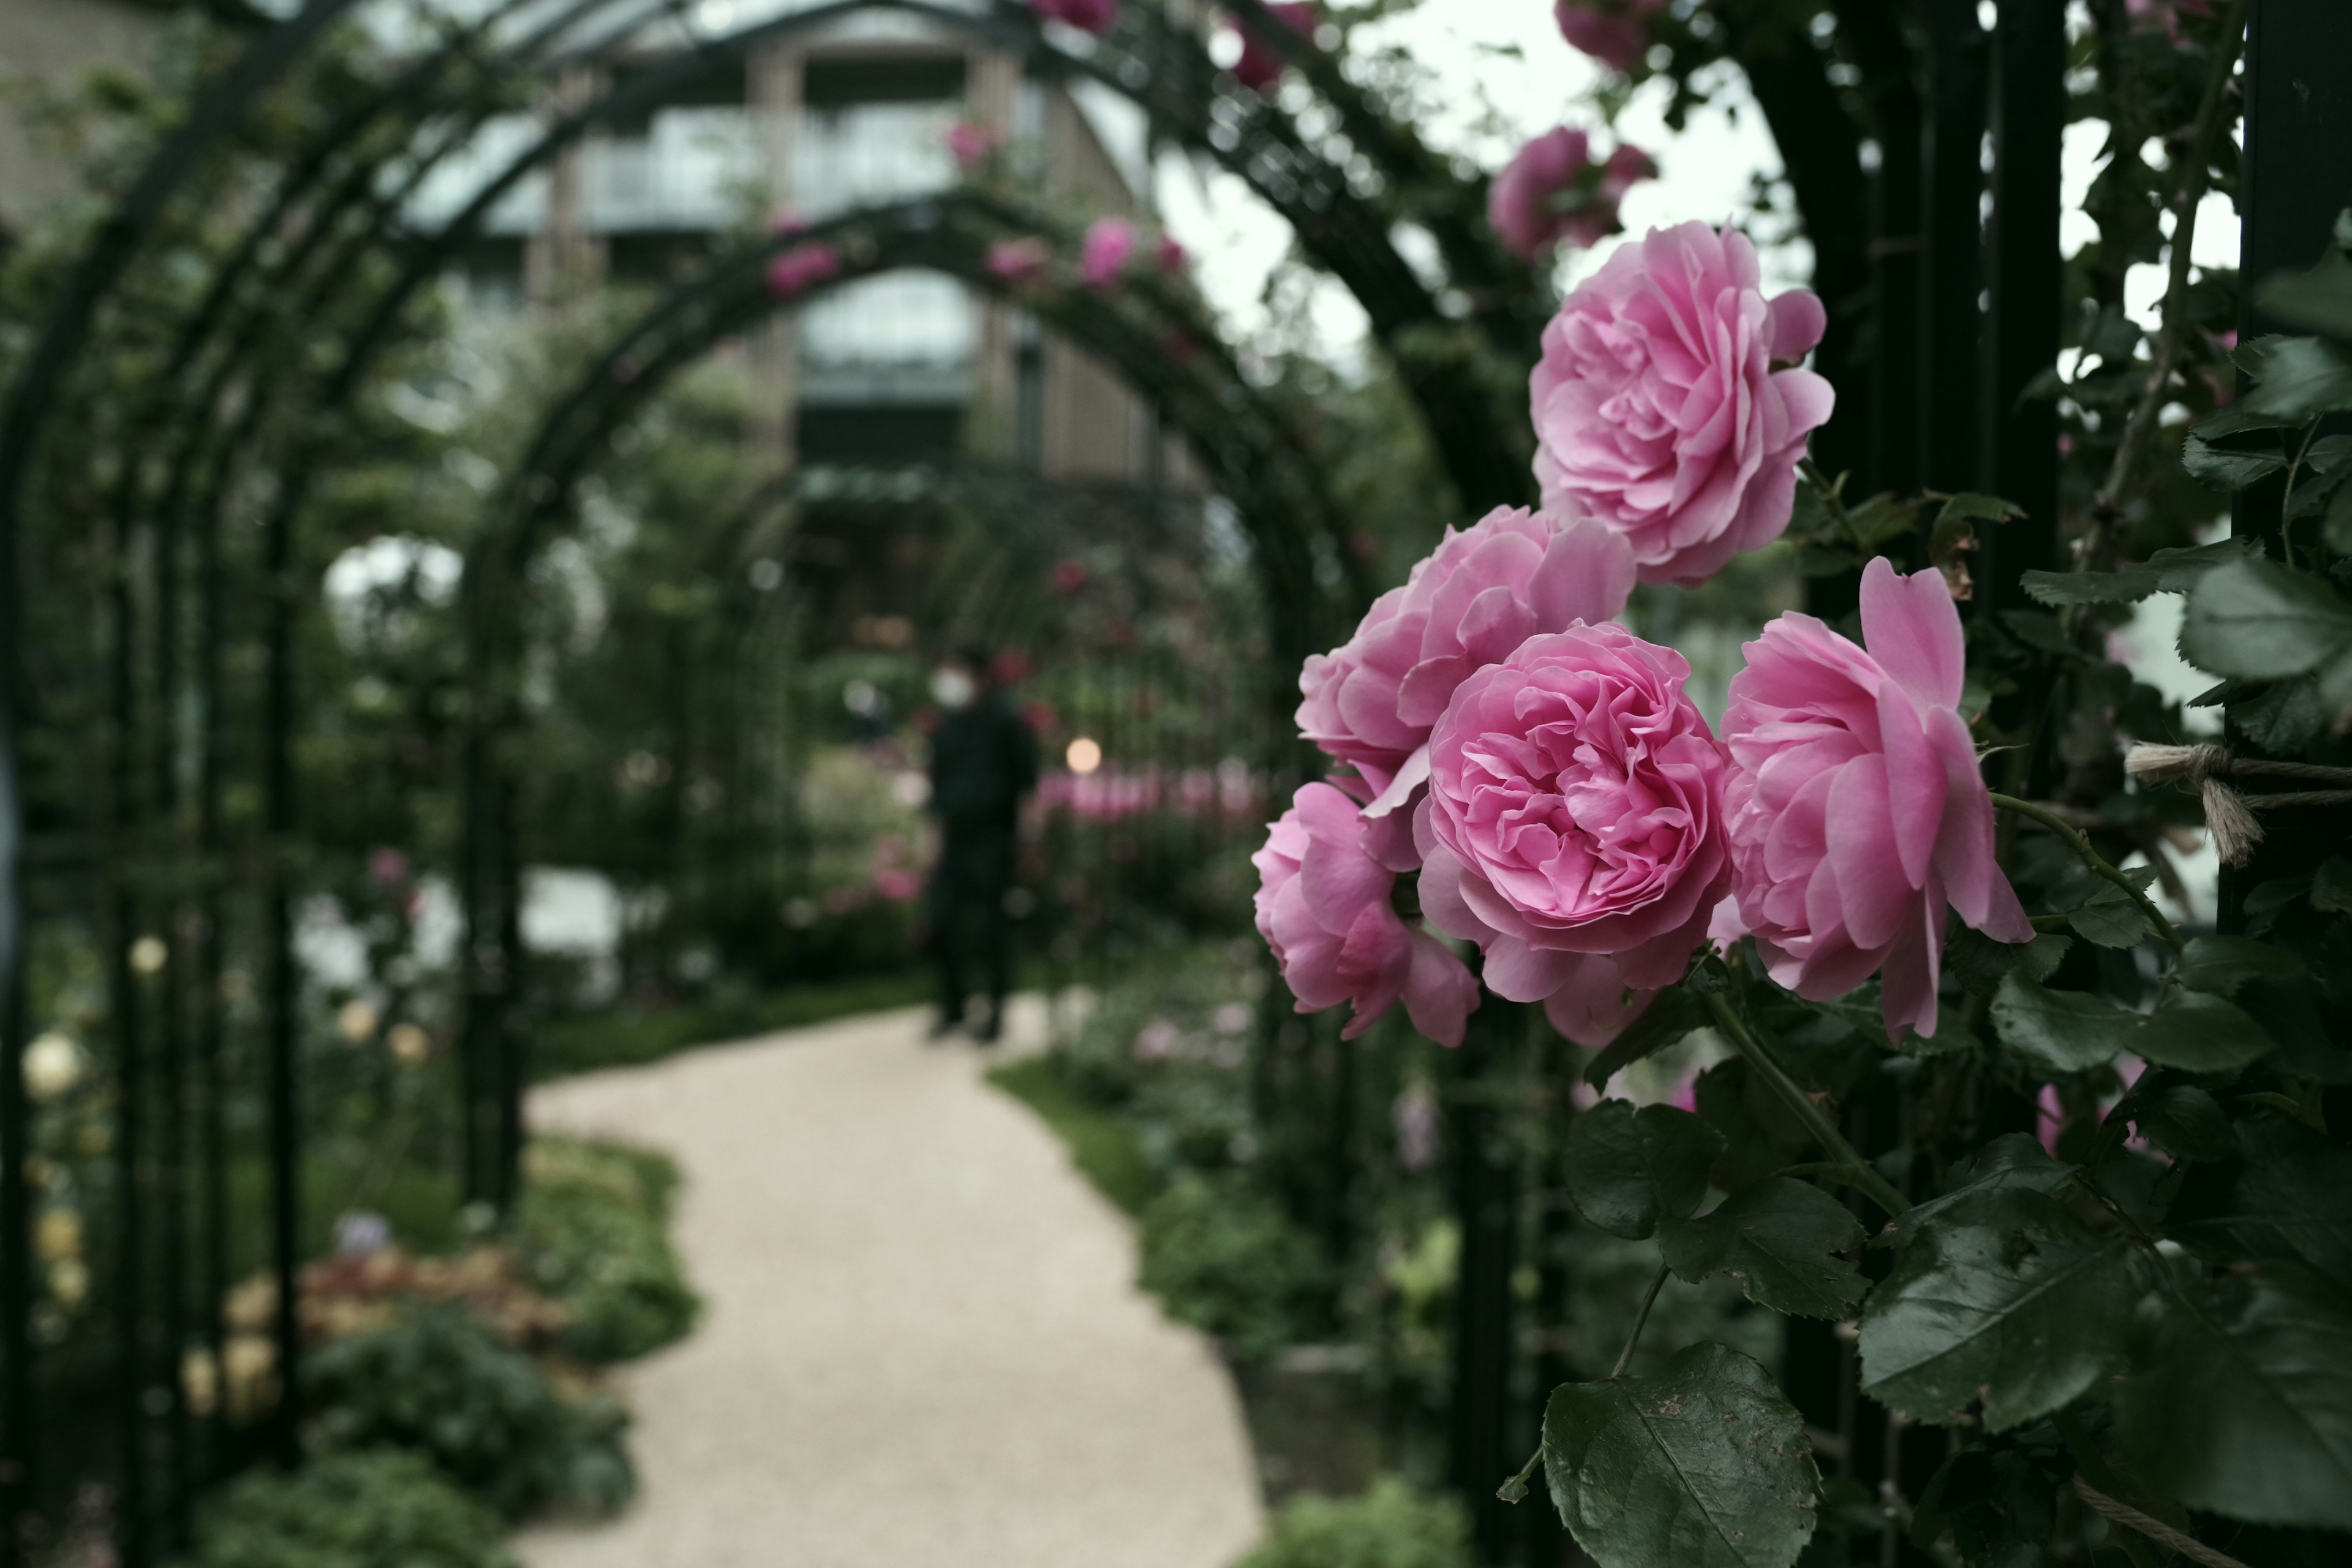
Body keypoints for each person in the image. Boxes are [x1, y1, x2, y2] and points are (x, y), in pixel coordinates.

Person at [924, 643, 1038, 1042]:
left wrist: (1026, 842)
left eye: (955, 669)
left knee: (992, 928)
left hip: (995, 836)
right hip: (955, 836)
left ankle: (994, 1014)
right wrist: (934, 843)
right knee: (941, 920)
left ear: (979, 674)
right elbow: (936, 788)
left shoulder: (1007, 721)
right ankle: (952, 1007)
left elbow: (1028, 787)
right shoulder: (946, 724)